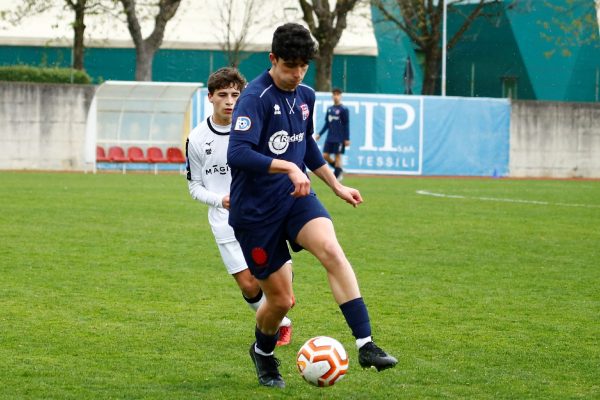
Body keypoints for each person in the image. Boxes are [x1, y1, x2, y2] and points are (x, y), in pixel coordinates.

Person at [227, 23, 397, 389]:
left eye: (303, 66)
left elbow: (305, 147)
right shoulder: (254, 98)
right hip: (255, 214)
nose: (297, 74)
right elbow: (238, 152)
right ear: (273, 60)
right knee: (281, 301)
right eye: (290, 66)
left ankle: (366, 344)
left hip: (295, 199)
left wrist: (335, 185)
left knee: (331, 250)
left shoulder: (305, 96)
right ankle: (264, 353)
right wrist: (288, 166)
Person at [186, 67, 292, 347]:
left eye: (235, 94)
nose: (230, 101)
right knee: (248, 285)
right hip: (224, 218)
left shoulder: (253, 128)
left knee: (281, 290)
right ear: (210, 97)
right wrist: (220, 199)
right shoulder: (197, 139)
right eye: (222, 95)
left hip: (261, 213)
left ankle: (275, 319)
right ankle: (277, 325)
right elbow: (194, 186)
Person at [315, 88, 350, 181]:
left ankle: (337, 176)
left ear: (341, 96)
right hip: (330, 137)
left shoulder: (344, 109)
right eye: (334, 94)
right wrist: (320, 134)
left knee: (337, 156)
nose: (336, 96)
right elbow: (327, 123)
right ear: (332, 96)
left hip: (340, 138)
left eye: (338, 94)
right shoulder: (330, 109)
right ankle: (339, 169)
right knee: (325, 155)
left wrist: (347, 138)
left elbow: (346, 124)